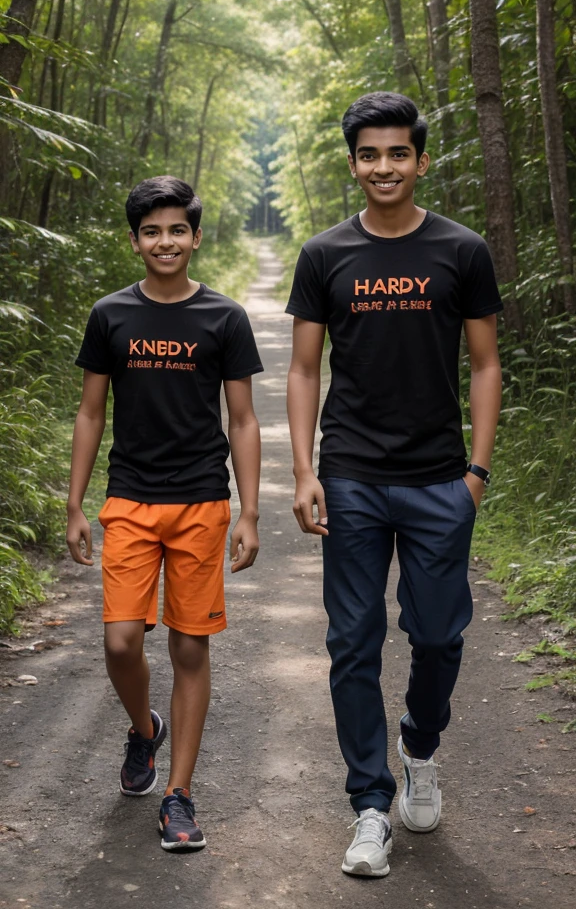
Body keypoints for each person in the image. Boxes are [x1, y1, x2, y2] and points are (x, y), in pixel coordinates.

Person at [286, 92, 502, 877]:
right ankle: (369, 806)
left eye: (397, 153)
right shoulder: (325, 254)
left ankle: (420, 744)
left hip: (441, 478)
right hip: (350, 477)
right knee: (352, 642)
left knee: (439, 633)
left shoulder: (461, 250)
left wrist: (476, 472)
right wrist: (306, 471)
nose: (384, 167)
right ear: (353, 164)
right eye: (369, 155)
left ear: (420, 159)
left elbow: (484, 364)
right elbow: (305, 367)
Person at [66, 176, 262, 851]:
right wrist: (75, 504)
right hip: (129, 500)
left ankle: (178, 795)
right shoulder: (111, 315)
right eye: (152, 231)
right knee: (120, 640)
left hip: (201, 501)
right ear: (135, 241)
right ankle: (143, 730)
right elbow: (92, 411)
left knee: (188, 645)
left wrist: (248, 512)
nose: (165, 241)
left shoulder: (224, 319)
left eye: (177, 229)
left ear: (196, 237)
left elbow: (242, 420)